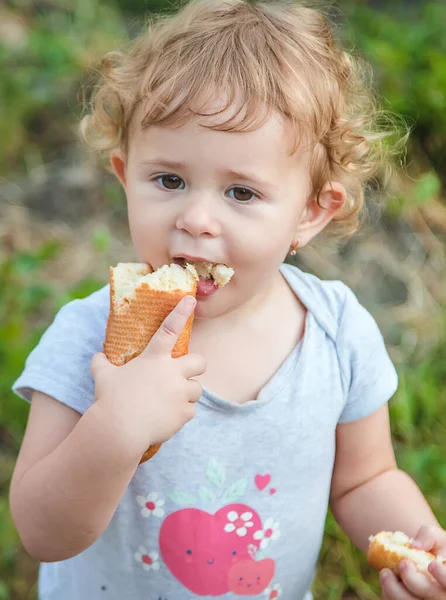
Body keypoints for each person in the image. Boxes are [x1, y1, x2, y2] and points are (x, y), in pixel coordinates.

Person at [8, 1, 446, 599]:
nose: (196, 219)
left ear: (312, 213)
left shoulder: (335, 331)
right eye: (168, 180)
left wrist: (418, 547)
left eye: (241, 191)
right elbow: (41, 533)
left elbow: (364, 480)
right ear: (123, 172)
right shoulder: (92, 337)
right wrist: (113, 430)